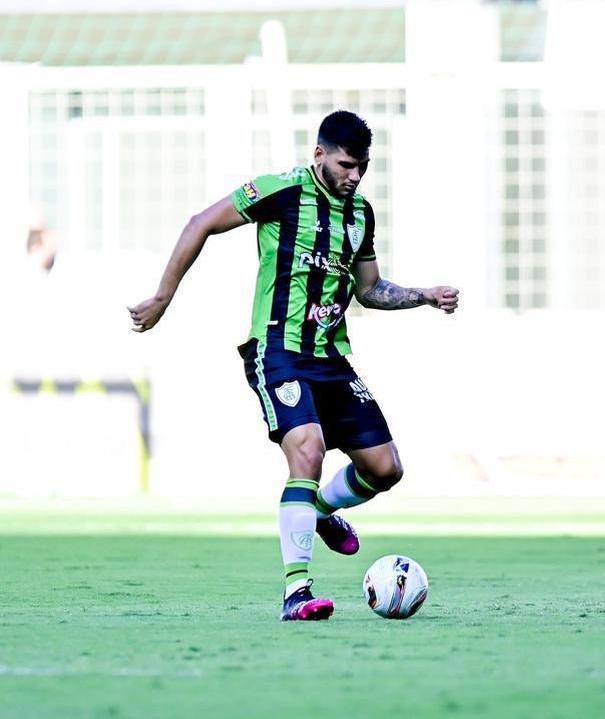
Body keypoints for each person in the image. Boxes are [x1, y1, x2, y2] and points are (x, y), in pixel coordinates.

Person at [129, 111, 460, 621]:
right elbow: (201, 223)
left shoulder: (360, 215)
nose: (354, 176)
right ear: (319, 154)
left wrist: (423, 295)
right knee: (307, 449)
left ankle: (321, 511)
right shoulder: (280, 192)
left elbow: (369, 290)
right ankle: (297, 592)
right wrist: (162, 297)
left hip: (330, 357)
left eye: (363, 167)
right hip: (277, 351)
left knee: (385, 468)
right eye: (347, 165)